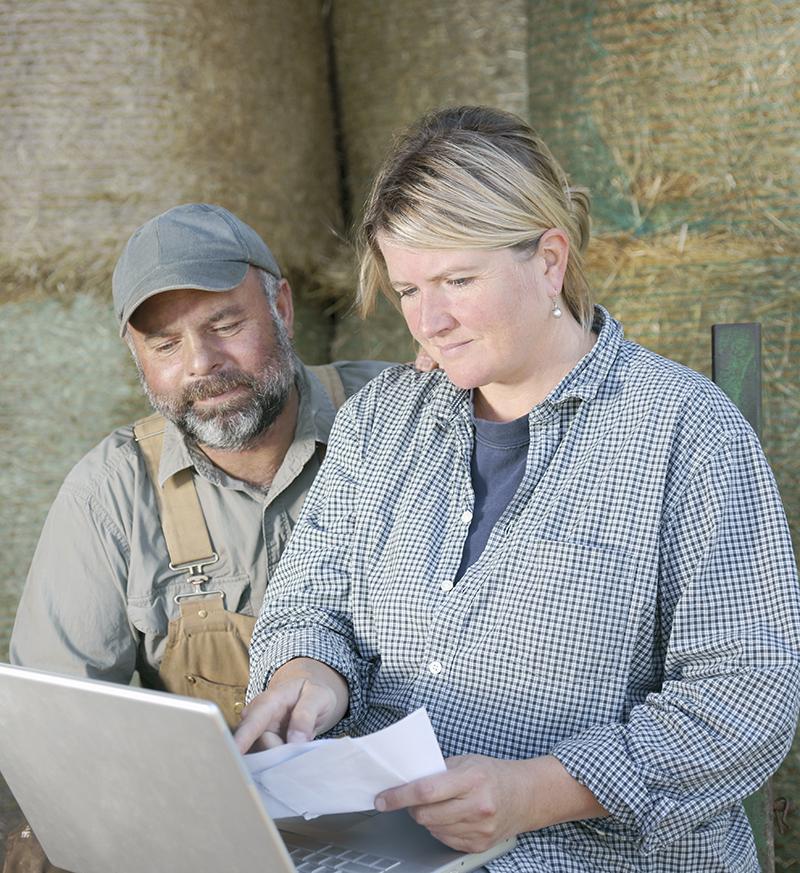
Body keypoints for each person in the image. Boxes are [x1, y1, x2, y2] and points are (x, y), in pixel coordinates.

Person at [235, 107, 800, 872]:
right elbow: (310, 603)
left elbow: (746, 697)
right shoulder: (381, 422)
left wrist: (538, 790)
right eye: (407, 289)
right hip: (370, 845)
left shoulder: (686, 433)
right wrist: (310, 675)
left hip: (585, 855)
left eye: (457, 280)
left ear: (549, 261)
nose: (429, 320)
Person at [5, 203, 399, 872]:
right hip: (213, 845)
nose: (202, 364)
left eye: (225, 323)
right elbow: (57, 737)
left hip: (410, 819)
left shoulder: (398, 420)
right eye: (165, 343)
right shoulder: (111, 494)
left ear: (282, 304)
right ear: (134, 353)